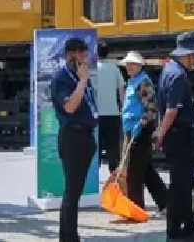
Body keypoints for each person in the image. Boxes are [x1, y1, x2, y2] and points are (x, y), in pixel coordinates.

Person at [155, 32, 194, 242]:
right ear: (186, 55)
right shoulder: (178, 75)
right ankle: (175, 231)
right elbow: (172, 110)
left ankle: (188, 227)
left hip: (177, 134)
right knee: (181, 184)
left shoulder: (169, 70)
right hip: (181, 134)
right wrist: (160, 133)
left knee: (184, 183)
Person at [50, 37, 99, 242]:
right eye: (82, 54)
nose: (85, 58)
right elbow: (70, 107)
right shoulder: (63, 78)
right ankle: (68, 237)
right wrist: (82, 81)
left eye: (86, 54)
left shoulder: (81, 77)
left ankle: (71, 235)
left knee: (77, 190)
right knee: (72, 191)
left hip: (86, 135)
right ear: (72, 55)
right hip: (72, 136)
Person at [119, 51, 168, 214]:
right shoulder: (133, 81)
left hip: (140, 130)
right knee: (146, 170)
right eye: (128, 64)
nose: (129, 67)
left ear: (140, 66)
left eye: (133, 64)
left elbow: (151, 107)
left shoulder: (143, 83)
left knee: (134, 171)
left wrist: (141, 124)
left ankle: (136, 208)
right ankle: (166, 202)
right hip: (132, 128)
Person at [92, 42, 126, 174]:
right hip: (113, 114)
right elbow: (121, 91)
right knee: (113, 148)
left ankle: (94, 175)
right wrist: (122, 108)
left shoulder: (92, 69)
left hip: (96, 115)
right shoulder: (114, 68)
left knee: (96, 148)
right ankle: (114, 176)